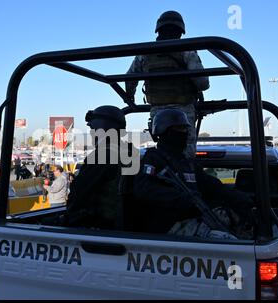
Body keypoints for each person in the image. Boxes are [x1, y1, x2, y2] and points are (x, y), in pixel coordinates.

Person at [133, 108, 254, 239]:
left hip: (194, 219)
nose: (184, 133)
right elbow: (143, 189)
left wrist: (237, 196)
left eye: (185, 129)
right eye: (179, 129)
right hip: (167, 226)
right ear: (164, 131)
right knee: (224, 240)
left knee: (239, 223)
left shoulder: (186, 163)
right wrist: (182, 198)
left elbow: (210, 184)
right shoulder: (154, 159)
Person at [125, 10, 210, 159]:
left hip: (157, 113)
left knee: (163, 151)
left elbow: (129, 79)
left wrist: (130, 99)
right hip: (184, 112)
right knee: (186, 156)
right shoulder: (187, 50)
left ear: (159, 30)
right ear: (180, 31)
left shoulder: (145, 53)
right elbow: (202, 83)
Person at [67, 106, 138, 230]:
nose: (91, 133)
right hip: (127, 225)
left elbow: (78, 194)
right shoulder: (130, 152)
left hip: (102, 227)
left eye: (93, 129)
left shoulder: (103, 155)